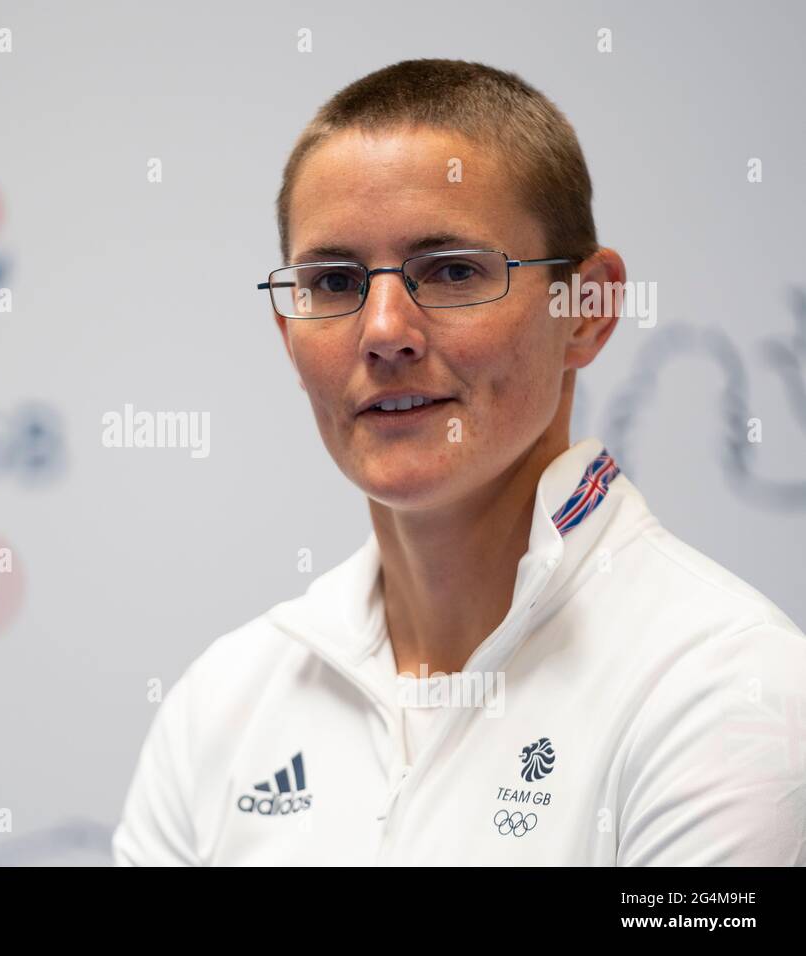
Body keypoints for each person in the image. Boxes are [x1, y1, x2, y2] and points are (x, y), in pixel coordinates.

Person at [111, 58, 806, 865]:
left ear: (587, 309)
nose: (383, 331)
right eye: (333, 282)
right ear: (289, 332)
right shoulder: (224, 702)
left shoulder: (726, 688)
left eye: (450, 272)